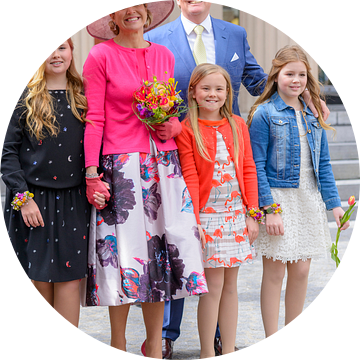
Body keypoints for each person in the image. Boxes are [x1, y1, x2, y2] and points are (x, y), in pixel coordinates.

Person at [81, 3, 208, 358]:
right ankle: (118, 342)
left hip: (163, 166)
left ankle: (154, 348)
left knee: (161, 258)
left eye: (137, 6)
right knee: (126, 259)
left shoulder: (165, 55)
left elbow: (173, 110)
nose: (130, 12)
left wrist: (176, 126)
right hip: (120, 168)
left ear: (148, 13)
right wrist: (92, 174)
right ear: (112, 18)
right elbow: (94, 119)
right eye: (122, 8)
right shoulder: (100, 55)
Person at [247, 45, 350, 338]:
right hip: (278, 200)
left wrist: (335, 205)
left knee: (302, 272)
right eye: (289, 73)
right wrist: (269, 210)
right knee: (275, 274)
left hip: (308, 199)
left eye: (302, 74)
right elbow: (255, 166)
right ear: (276, 75)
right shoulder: (263, 114)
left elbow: (324, 164)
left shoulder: (313, 114)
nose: (296, 80)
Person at [0, 38, 91, 328]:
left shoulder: (83, 96)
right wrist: (22, 199)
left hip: (74, 201)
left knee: (69, 280)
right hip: (33, 201)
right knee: (40, 281)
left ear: (72, 53)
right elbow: (7, 152)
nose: (56, 54)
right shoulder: (24, 98)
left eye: (62, 47)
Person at [176, 63, 259, 358]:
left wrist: (252, 213)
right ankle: (207, 351)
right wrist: (195, 222)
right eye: (206, 88)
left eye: (219, 89)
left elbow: (248, 169)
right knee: (213, 286)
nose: (213, 94)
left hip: (236, 214)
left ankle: (230, 346)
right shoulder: (188, 129)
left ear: (228, 93)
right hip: (207, 217)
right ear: (194, 93)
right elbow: (190, 177)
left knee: (232, 285)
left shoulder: (238, 124)